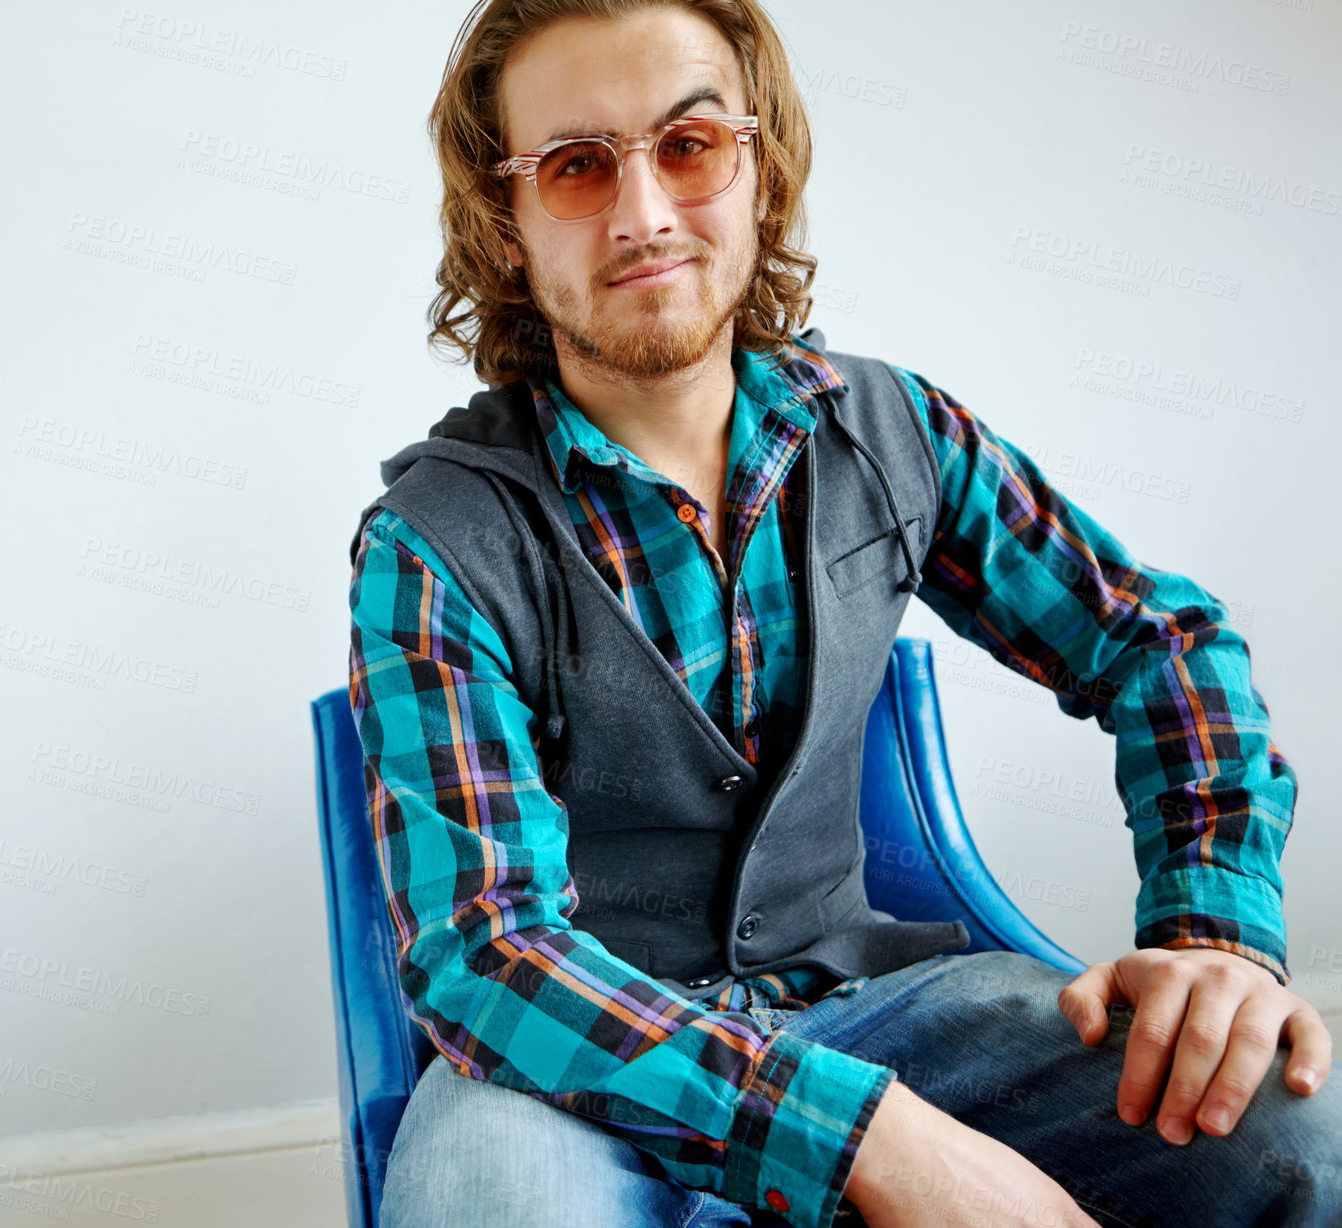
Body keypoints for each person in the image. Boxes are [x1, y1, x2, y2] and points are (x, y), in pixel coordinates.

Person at [344, 2, 1340, 1224]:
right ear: (507, 229)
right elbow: (486, 955)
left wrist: (1213, 938)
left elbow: (1158, 643)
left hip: (883, 1015)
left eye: (690, 145)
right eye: (577, 167)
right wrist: (875, 1143)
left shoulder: (890, 434)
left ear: (760, 174)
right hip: (557, 1075)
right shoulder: (432, 543)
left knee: (1294, 1132)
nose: (644, 213)